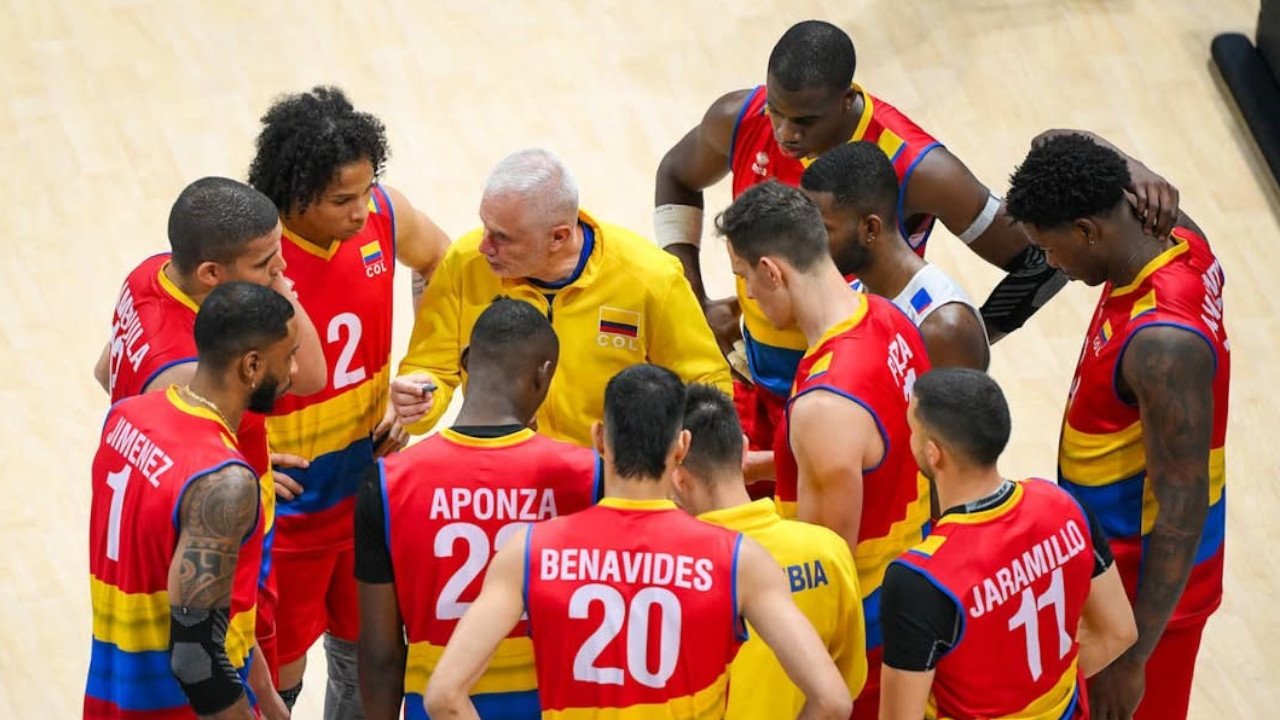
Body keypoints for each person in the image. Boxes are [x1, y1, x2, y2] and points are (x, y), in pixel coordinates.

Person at [655, 20, 1177, 458]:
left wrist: (970, 334)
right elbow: (675, 175)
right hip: (754, 384)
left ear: (847, 98)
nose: (786, 133)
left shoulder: (922, 167)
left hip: (852, 403)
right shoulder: (739, 117)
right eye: (777, 110)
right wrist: (692, 293)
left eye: (805, 120)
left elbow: (1041, 259)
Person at [422, 365, 852, 720]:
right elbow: (832, 701)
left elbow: (443, 696)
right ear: (682, 447)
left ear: (598, 440)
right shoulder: (739, 559)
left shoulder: (529, 551)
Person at [1006, 133, 1230, 720]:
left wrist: (1132, 656)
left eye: (1050, 249)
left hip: (1144, 596)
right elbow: (1052, 141)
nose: (1050, 263)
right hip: (1113, 572)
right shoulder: (1179, 241)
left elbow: (1183, 506)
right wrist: (1134, 168)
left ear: (1087, 230)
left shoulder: (1162, 341)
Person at [247, 85, 452, 714]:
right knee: (277, 678)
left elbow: (444, 265)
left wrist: (422, 370)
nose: (363, 209)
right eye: (343, 199)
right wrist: (240, 453)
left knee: (368, 664)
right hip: (288, 513)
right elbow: (186, 369)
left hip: (367, 490)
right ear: (295, 195)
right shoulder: (252, 255)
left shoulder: (387, 215)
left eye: (367, 189)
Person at [91, 176, 327, 714]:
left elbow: (107, 369)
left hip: (138, 604)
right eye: (268, 262)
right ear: (211, 275)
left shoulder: (149, 278)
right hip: (180, 678)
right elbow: (197, 659)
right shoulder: (213, 474)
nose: (281, 274)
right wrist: (227, 469)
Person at [715, 181, 931, 719]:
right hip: (910, 588)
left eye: (744, 279)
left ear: (772, 271)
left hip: (867, 632)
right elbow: (879, 454)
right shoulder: (887, 318)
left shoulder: (825, 406)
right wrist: (765, 466)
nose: (749, 296)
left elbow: (823, 573)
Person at [355, 298, 602, 719]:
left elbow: (380, 653)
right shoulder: (586, 476)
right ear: (543, 376)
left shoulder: (387, 481)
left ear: (467, 361)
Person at [391, 148, 731, 447]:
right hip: (509, 481)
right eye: (484, 227)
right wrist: (421, 396)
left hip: (608, 485)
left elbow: (706, 387)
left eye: (502, 237)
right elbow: (430, 367)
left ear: (559, 236)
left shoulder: (651, 278)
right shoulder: (465, 264)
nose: (483, 247)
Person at [84, 282, 299, 719]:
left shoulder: (129, 416)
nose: (295, 370)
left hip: (111, 693)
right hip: (174, 708)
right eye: (289, 355)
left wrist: (265, 691)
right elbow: (195, 661)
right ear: (252, 366)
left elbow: (217, 598)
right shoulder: (223, 481)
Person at [878, 368, 1137, 719]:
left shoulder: (920, 580)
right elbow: (1119, 631)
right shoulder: (1063, 506)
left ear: (933, 453)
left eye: (911, 429)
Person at [671, 384, 866, 719]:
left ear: (675, 474)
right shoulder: (828, 550)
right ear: (745, 450)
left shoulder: (673, 571)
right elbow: (846, 682)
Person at [800, 142, 988, 370]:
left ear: (870, 228)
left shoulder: (942, 327)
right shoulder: (854, 293)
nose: (808, 241)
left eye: (822, 229)